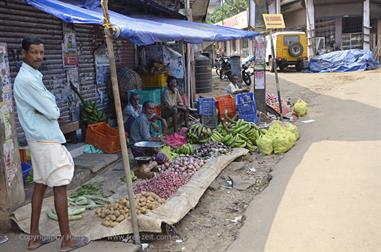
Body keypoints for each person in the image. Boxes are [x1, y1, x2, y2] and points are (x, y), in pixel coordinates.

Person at [13, 36, 90, 251]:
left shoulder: (31, 76)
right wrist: (49, 108)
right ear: (23, 53)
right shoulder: (27, 80)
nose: (38, 56)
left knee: (40, 184)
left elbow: (47, 109)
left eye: (41, 52)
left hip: (39, 138)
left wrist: (46, 108)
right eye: (34, 52)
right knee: (60, 186)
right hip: (45, 139)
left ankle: (34, 237)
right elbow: (53, 111)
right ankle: (67, 239)